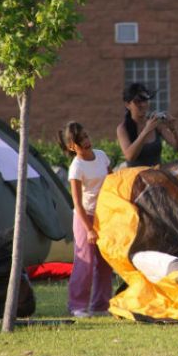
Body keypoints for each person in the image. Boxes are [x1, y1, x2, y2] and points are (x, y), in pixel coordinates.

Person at [58, 121, 114, 318]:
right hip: (84, 217)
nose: (86, 142)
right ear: (71, 147)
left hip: (104, 215)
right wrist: (89, 229)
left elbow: (112, 182)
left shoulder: (101, 156)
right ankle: (77, 305)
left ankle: (101, 305)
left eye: (86, 136)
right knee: (86, 263)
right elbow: (78, 203)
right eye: (80, 140)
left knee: (106, 262)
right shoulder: (76, 168)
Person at [116, 83, 178, 167]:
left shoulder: (156, 124)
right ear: (127, 105)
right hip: (135, 176)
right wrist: (146, 131)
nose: (143, 105)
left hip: (157, 174)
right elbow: (130, 157)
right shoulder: (123, 128)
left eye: (145, 100)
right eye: (137, 101)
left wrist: (174, 129)